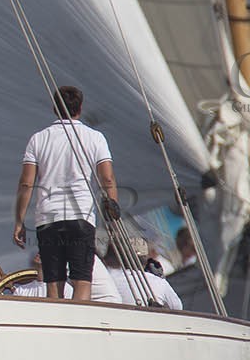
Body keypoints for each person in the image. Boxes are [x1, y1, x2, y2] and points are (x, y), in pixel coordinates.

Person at [13, 85, 119, 301]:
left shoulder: (38, 139)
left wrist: (19, 221)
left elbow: (26, 183)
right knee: (81, 279)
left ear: (54, 108)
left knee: (53, 281)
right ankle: (79, 325)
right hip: (81, 215)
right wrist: (113, 207)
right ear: (80, 108)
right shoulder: (95, 137)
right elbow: (107, 178)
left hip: (48, 218)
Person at [107, 237, 182, 310]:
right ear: (146, 259)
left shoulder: (112, 281)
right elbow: (177, 308)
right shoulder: (160, 282)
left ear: (123, 258)